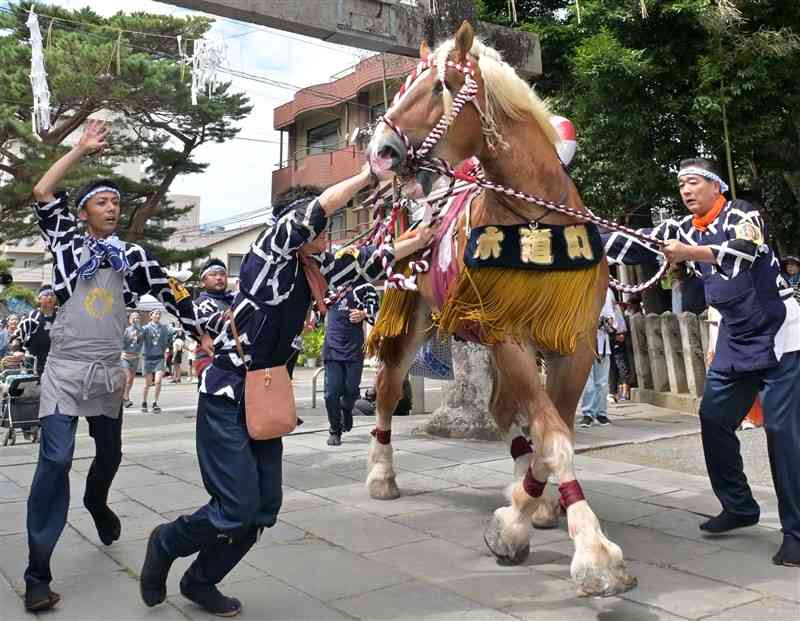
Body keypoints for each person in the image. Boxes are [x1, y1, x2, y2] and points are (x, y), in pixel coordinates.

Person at [140, 166, 435, 617]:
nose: (325, 233)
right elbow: (308, 216)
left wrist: (421, 236)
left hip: (266, 398)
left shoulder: (314, 271)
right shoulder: (269, 252)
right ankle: (166, 542)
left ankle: (200, 581)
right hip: (227, 396)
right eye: (319, 227)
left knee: (263, 510)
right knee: (235, 508)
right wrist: (366, 176)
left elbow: (371, 261)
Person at [23, 119, 197, 612]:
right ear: (81, 213)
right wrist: (80, 148)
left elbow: (172, 290)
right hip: (63, 369)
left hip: (107, 371)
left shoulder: (134, 256)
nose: (112, 208)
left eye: (116, 203)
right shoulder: (64, 243)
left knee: (110, 455)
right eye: (102, 202)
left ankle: (96, 502)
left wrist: (202, 326)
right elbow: (41, 188)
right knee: (54, 460)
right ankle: (38, 573)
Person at [606, 157, 800, 566]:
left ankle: (796, 531)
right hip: (734, 334)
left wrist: (689, 252)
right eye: (681, 185)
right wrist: (579, 226)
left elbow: (744, 252)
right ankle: (740, 505)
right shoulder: (678, 228)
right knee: (713, 417)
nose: (686, 190)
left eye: (693, 182)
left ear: (717, 186)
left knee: (783, 432)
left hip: (779, 330)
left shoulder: (744, 213)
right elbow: (631, 239)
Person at [323, 282, 379, 446]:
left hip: (354, 350)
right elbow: (314, 307)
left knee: (351, 389)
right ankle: (335, 430)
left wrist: (364, 313)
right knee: (330, 393)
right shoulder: (328, 288)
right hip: (332, 350)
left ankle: (346, 409)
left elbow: (376, 313)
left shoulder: (364, 288)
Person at [578, 288, 616, 427]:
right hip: (585, 343)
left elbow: (613, 318)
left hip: (602, 343)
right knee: (588, 382)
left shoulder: (607, 292)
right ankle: (587, 413)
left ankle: (601, 413)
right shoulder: (580, 290)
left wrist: (608, 323)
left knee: (602, 382)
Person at [193, 258, 234, 379]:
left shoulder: (233, 301)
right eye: (213, 274)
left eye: (222, 274)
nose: (219, 278)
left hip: (235, 363)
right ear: (203, 282)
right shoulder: (199, 304)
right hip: (209, 362)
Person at [14, 286, 58, 374]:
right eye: (46, 295)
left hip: (56, 364)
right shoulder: (32, 316)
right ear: (39, 299)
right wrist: (17, 351)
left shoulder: (61, 317)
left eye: (52, 295)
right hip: (34, 363)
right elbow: (17, 336)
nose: (49, 298)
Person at [140, 310, 171, 413]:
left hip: (159, 357)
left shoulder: (164, 328)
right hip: (147, 358)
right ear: (151, 316)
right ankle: (144, 401)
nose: (158, 316)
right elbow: (138, 337)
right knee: (148, 383)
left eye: (159, 314)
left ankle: (155, 402)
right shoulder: (145, 328)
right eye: (156, 314)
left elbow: (171, 334)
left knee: (158, 381)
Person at [121, 312, 143, 407]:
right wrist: (130, 337)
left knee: (131, 380)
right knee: (128, 377)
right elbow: (122, 345)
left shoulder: (141, 331)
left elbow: (143, 343)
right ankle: (125, 398)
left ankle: (125, 395)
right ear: (130, 320)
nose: (136, 319)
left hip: (135, 357)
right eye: (133, 318)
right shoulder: (126, 330)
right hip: (125, 357)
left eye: (137, 318)